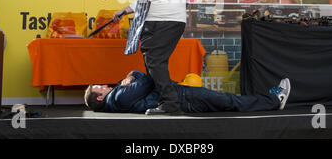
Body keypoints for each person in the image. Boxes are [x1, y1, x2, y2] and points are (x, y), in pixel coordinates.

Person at [112, 0, 187, 115]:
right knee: (155, 62)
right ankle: (161, 101)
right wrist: (125, 10)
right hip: (168, 21)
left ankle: (170, 103)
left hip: (163, 22)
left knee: (154, 61)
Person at [84, 71, 291, 114]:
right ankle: (274, 99)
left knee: (229, 102)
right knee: (230, 100)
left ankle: (271, 99)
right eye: (99, 87)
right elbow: (149, 79)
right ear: (100, 97)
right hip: (183, 98)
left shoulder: (117, 97)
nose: (103, 84)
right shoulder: (119, 97)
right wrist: (133, 76)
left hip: (182, 98)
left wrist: (130, 76)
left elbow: (143, 81)